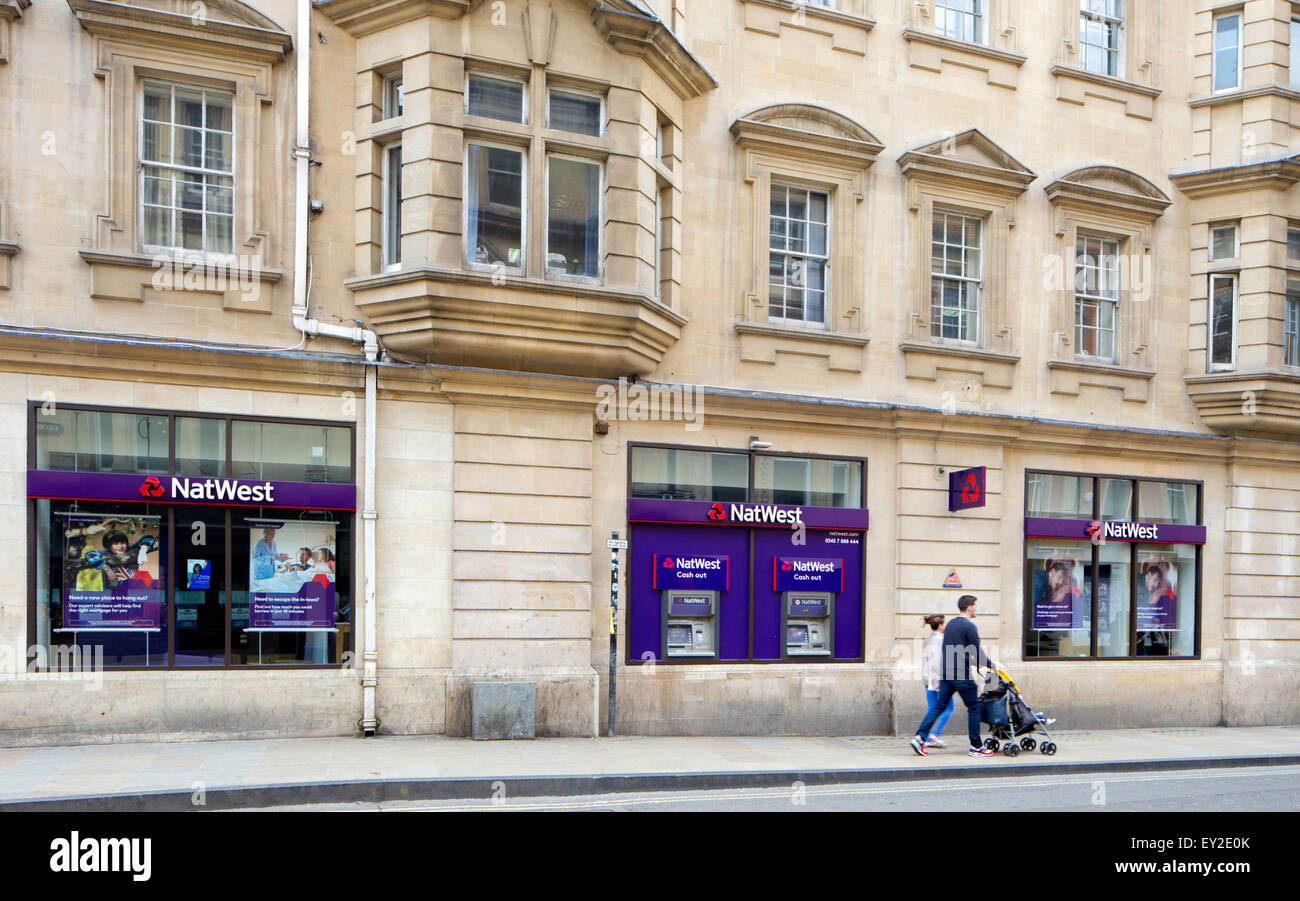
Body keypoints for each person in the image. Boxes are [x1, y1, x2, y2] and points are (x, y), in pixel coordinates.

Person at [910, 595, 996, 758]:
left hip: (946, 674)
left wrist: (972, 661)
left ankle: (920, 737)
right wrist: (991, 664)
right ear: (969, 607)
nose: (977, 609)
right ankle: (976, 747)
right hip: (961, 675)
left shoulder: (950, 625)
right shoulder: (969, 627)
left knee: (938, 707)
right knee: (974, 708)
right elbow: (976, 652)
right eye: (975, 605)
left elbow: (956, 651)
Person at [920, 614, 955, 749]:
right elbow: (938, 662)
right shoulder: (941, 640)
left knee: (932, 708)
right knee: (949, 707)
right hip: (938, 679)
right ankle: (934, 734)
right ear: (940, 626)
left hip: (927, 678)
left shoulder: (927, 640)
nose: (946, 626)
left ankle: (924, 736)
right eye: (945, 624)